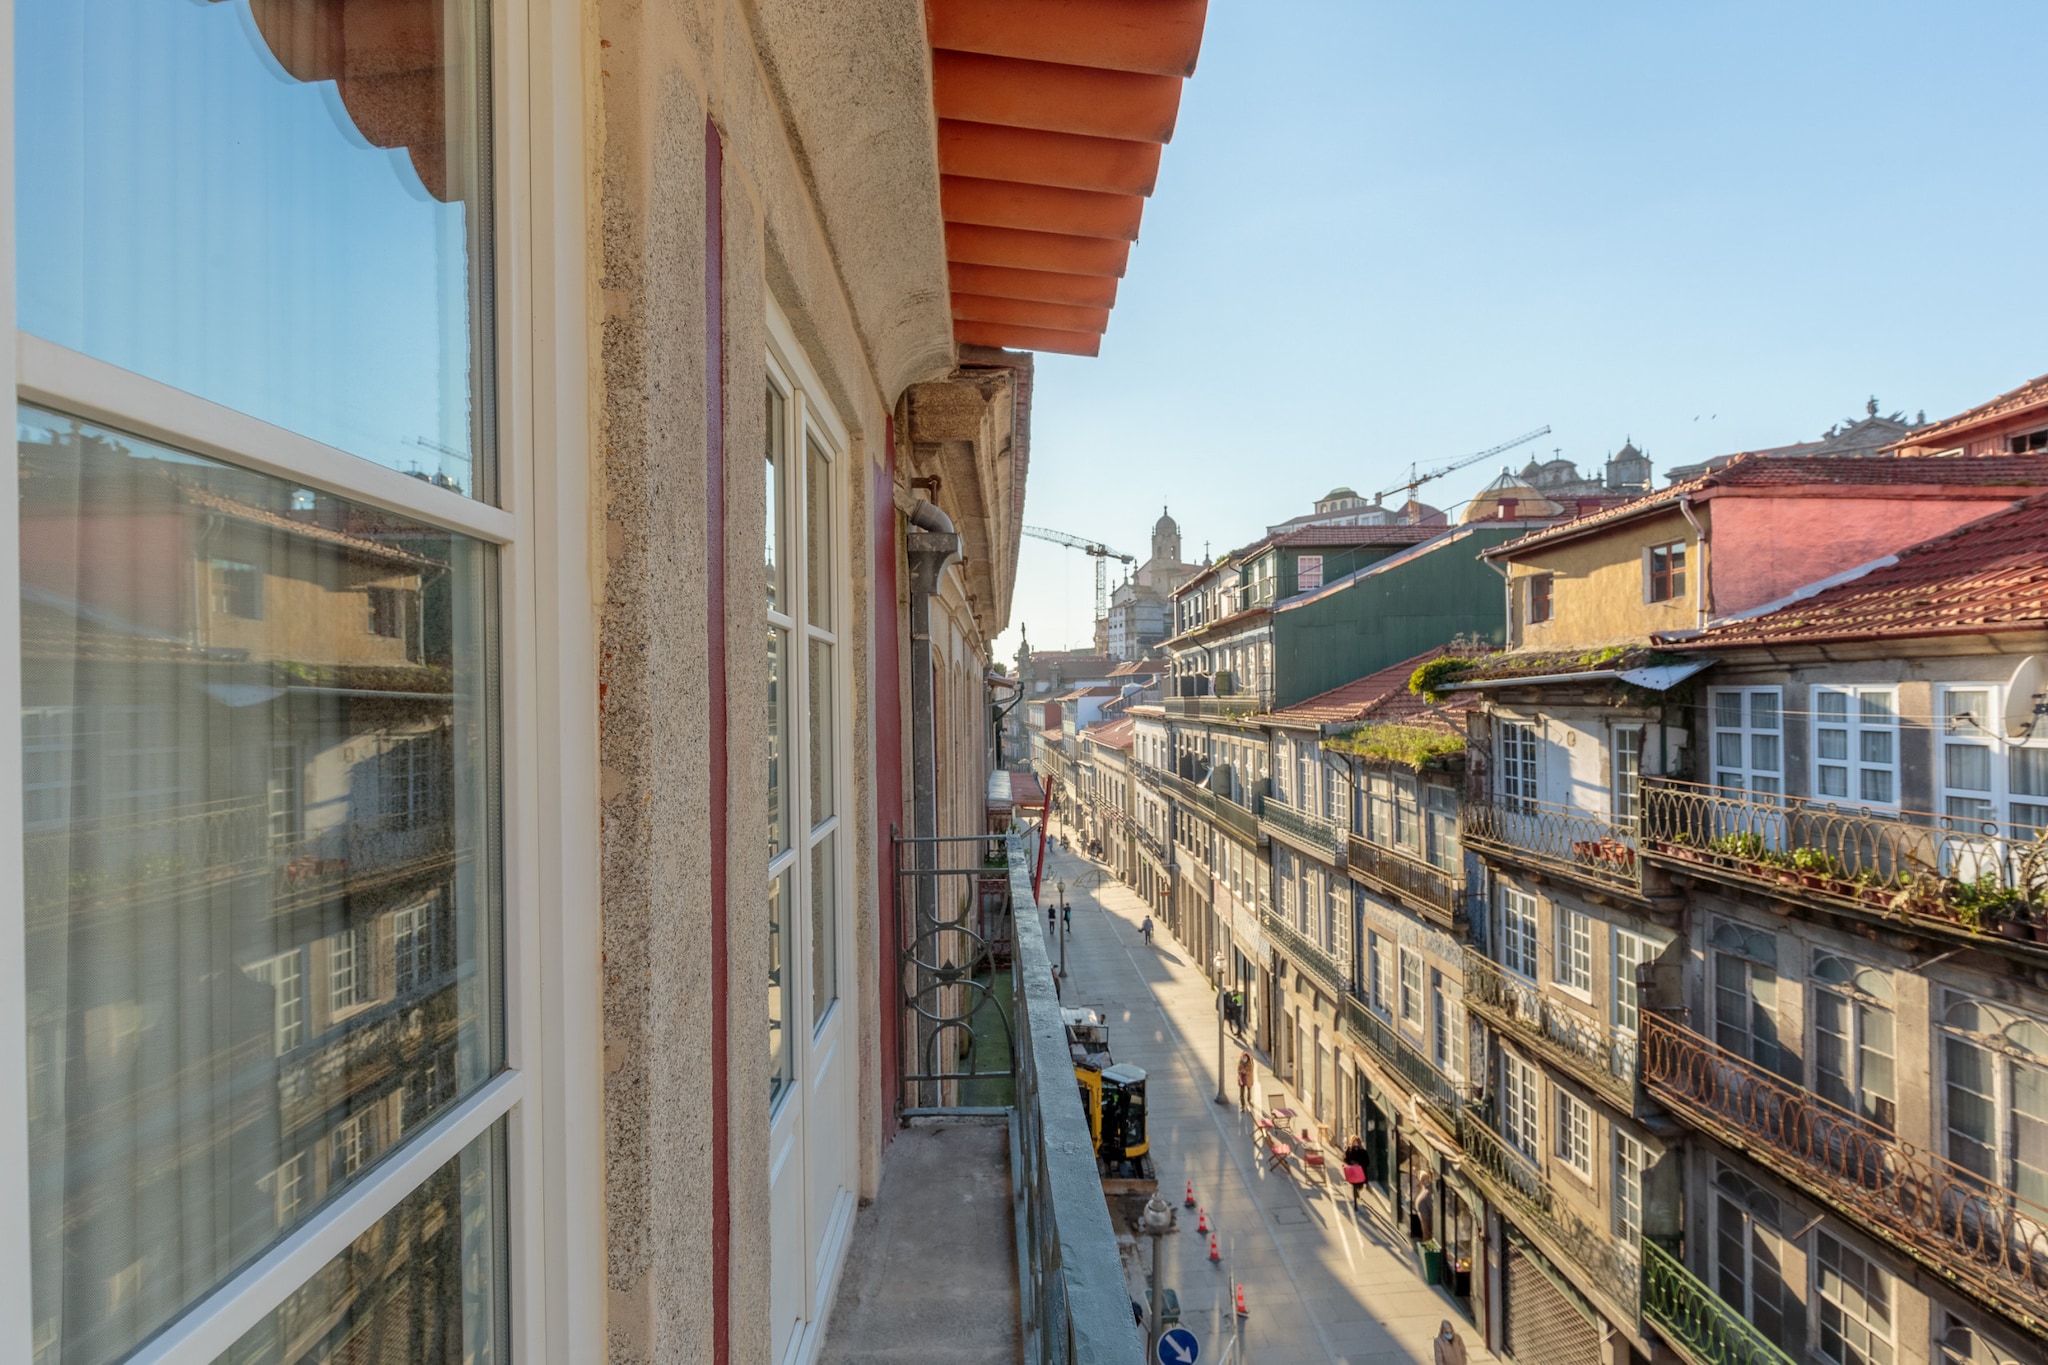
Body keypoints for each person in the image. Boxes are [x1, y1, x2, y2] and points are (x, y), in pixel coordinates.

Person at [1342, 1134, 1370, 1206]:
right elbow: (1345, 1158)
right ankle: (1355, 1195)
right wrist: (1350, 1163)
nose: (1355, 1144)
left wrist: (1360, 1164)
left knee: (1360, 1184)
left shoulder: (1363, 1152)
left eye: (1356, 1142)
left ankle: (1358, 1189)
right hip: (1353, 1171)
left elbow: (1367, 1162)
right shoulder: (1349, 1150)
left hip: (1360, 1171)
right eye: (1354, 1142)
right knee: (1353, 1184)